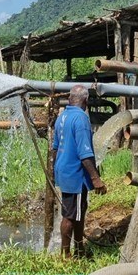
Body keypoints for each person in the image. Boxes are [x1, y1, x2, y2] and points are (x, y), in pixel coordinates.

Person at [50, 84, 107, 258]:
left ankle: (79, 249)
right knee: (70, 215)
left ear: (69, 99)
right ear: (86, 100)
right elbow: (85, 153)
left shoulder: (62, 117)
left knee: (75, 211)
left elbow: (54, 148)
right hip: (76, 174)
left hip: (63, 170)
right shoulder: (81, 119)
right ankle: (67, 255)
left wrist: (55, 170)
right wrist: (96, 179)